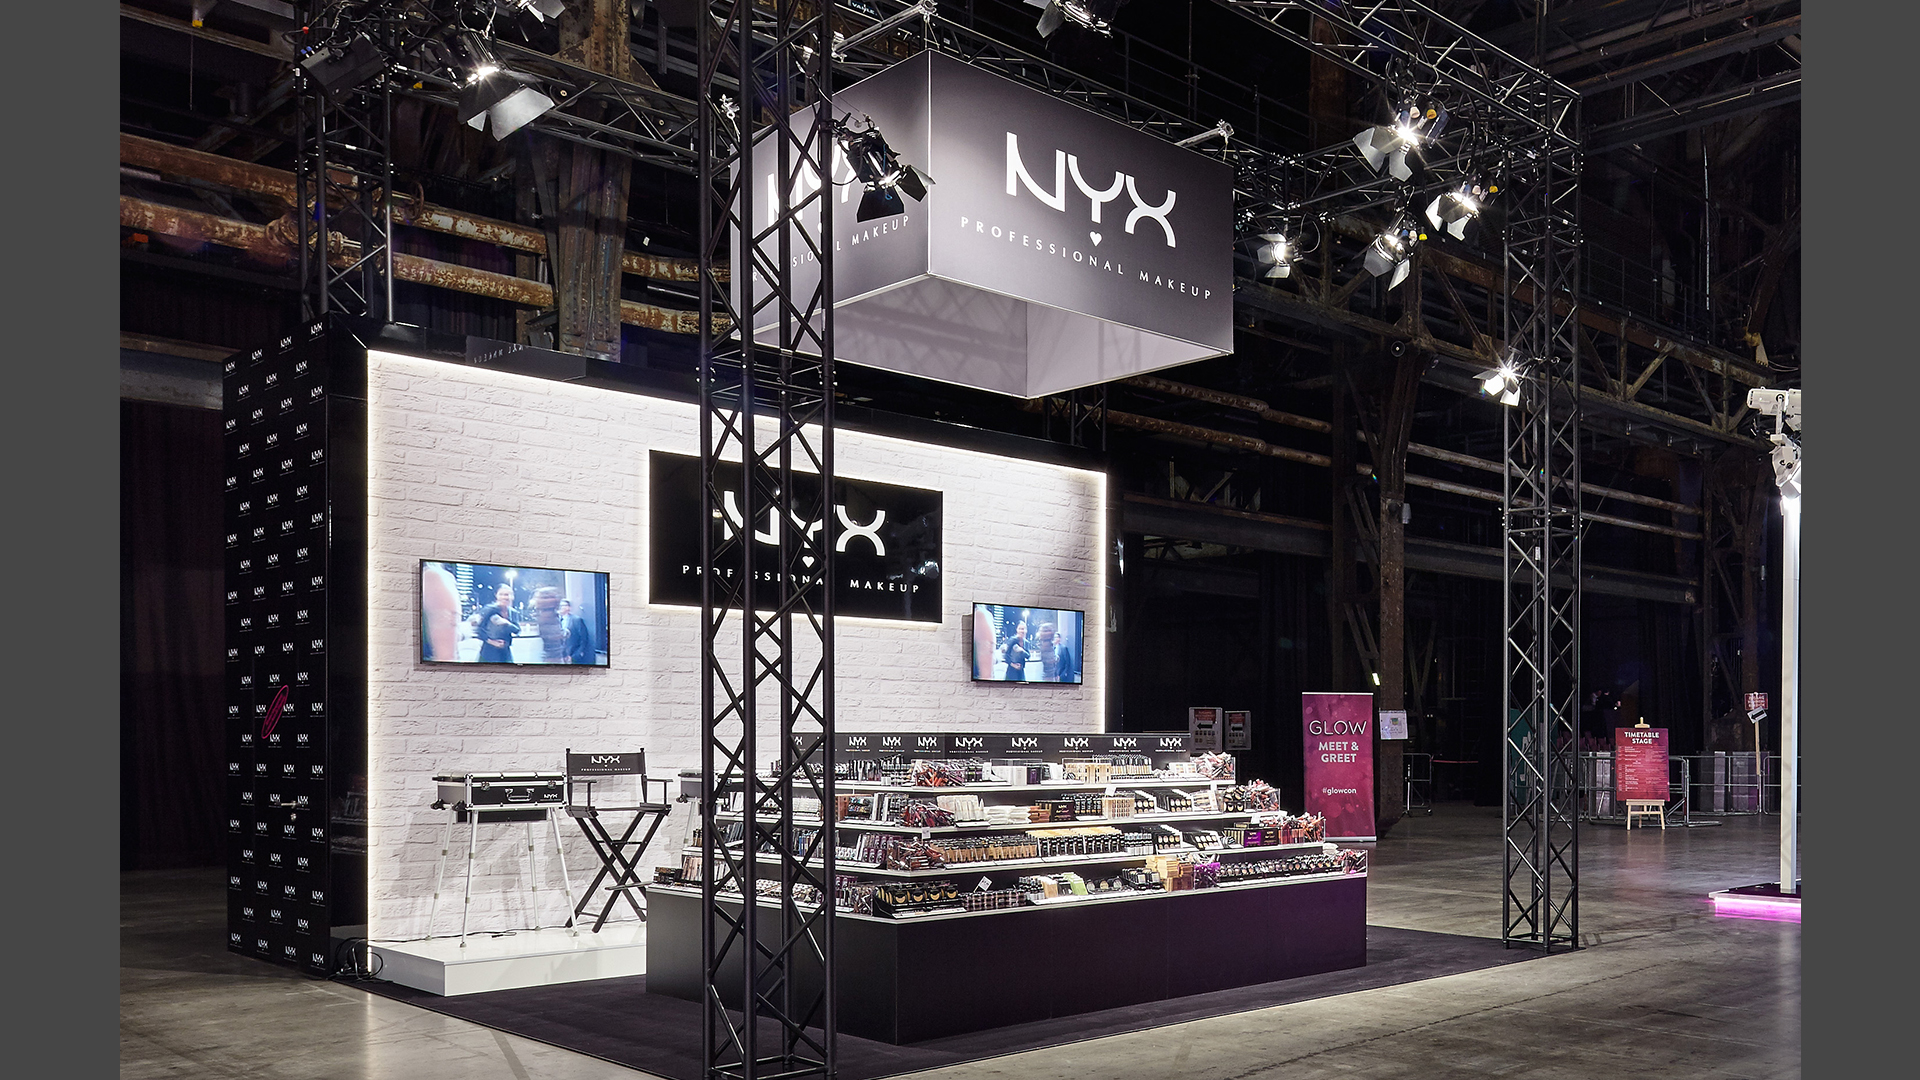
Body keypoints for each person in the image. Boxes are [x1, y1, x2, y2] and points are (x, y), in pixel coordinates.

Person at [471, 583, 521, 663]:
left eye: (507, 594)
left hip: (505, 652)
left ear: (512, 596)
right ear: (496, 595)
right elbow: (478, 629)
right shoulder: (489, 609)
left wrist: (507, 623)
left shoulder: (513, 612)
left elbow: (517, 630)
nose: (504, 597)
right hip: (488, 652)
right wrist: (491, 642)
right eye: (501, 594)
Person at [561, 599, 595, 665]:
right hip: (561, 657)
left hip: (573, 657)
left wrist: (576, 655)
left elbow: (583, 639)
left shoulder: (576, 620)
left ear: (568, 607)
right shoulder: (557, 621)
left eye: (563, 605)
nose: (561, 608)